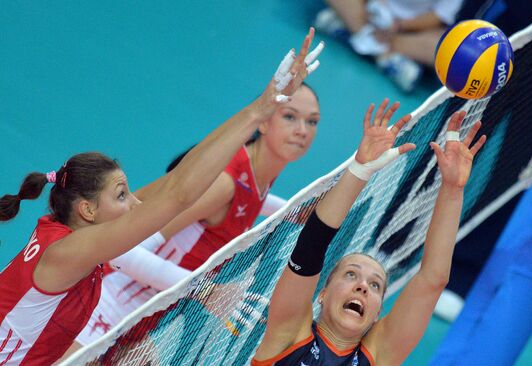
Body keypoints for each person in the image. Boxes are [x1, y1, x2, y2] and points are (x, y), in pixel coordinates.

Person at [0, 28, 323, 366]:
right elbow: (179, 193)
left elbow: (175, 185)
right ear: (87, 209)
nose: (137, 202)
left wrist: (261, 108)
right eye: (122, 195)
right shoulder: (70, 251)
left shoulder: (67, 236)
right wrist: (259, 109)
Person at [74, 81, 322, 347]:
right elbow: (122, 251)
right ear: (263, 123)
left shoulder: (253, 177)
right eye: (290, 117)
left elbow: (247, 196)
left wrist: (291, 210)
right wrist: (205, 290)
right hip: (104, 307)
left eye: (312, 122)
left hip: (137, 321)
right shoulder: (223, 183)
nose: (302, 131)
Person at [252, 100, 486, 365]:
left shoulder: (379, 356)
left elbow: (432, 280)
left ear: (377, 314)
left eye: (375, 285)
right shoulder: (289, 334)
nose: (362, 286)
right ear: (323, 295)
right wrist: (360, 169)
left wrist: (453, 189)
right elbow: (311, 245)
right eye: (351, 275)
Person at [315, 0, 463, 92]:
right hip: (368, 10)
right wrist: (375, 6)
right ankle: (386, 57)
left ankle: (351, 30)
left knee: (452, 48)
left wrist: (398, 26)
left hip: (407, 30)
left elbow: (438, 17)